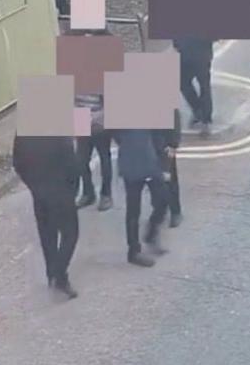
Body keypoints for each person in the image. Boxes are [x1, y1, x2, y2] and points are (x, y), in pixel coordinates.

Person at [12, 130, 83, 299]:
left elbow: (18, 163)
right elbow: (71, 164)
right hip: (61, 192)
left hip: (39, 192)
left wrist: (33, 186)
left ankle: (51, 273)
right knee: (70, 234)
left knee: (47, 234)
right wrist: (72, 190)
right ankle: (60, 274)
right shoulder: (58, 133)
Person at [114, 125, 170, 267]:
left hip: (151, 161)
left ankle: (151, 233)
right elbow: (114, 134)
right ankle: (133, 251)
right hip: (131, 162)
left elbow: (159, 135)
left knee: (163, 200)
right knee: (133, 209)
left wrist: (165, 164)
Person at [76, 93, 114, 211]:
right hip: (81, 118)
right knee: (81, 160)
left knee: (104, 159)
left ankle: (106, 195)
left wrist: (97, 117)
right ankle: (88, 193)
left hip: (99, 121)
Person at [174, 37, 215, 131]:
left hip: (186, 52)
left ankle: (199, 110)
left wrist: (177, 43)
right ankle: (205, 115)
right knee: (204, 85)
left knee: (183, 82)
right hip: (201, 53)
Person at [154, 107, 183, 228]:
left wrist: (173, 144)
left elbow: (174, 115)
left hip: (164, 142)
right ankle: (159, 209)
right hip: (148, 142)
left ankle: (175, 211)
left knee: (170, 179)